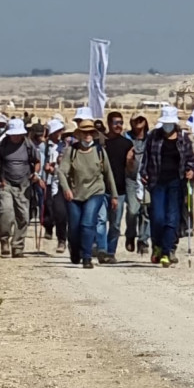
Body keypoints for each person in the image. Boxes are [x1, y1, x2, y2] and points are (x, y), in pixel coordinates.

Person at [140, 106, 194, 267]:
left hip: (176, 183)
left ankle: (167, 251)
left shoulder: (183, 138)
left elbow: (191, 159)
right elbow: (146, 158)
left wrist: (191, 171)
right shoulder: (153, 137)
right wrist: (143, 173)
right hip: (157, 182)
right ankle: (157, 245)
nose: (167, 127)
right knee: (157, 217)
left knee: (172, 218)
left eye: (170, 123)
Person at [58, 120, 118, 270]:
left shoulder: (99, 152)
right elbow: (61, 172)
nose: (88, 135)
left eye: (90, 132)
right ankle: (75, 249)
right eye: (85, 132)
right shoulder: (72, 151)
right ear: (79, 134)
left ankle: (87, 257)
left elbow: (108, 173)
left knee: (88, 223)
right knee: (74, 227)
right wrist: (66, 189)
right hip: (74, 193)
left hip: (95, 192)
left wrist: (114, 195)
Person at [0, 117, 40, 257]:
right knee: (6, 213)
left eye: (18, 134)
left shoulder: (28, 145)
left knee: (23, 217)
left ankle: (18, 246)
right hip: (6, 184)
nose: (16, 137)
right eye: (14, 134)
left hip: (24, 186)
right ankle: (4, 240)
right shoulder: (3, 145)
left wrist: (36, 174)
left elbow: (37, 161)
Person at [102, 111, 133, 262]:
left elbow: (131, 169)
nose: (118, 126)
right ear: (109, 124)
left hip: (119, 191)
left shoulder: (127, 144)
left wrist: (131, 161)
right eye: (115, 123)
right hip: (101, 189)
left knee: (114, 224)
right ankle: (99, 248)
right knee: (99, 220)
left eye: (121, 123)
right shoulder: (101, 143)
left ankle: (110, 252)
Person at [125, 114, 151, 254]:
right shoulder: (126, 138)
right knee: (133, 210)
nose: (139, 122)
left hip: (147, 177)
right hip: (131, 178)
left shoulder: (151, 138)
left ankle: (143, 240)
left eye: (141, 119)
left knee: (146, 210)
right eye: (136, 120)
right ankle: (130, 234)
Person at [42, 118, 68, 252]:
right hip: (53, 183)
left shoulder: (69, 147)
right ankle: (61, 239)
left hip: (70, 184)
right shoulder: (47, 147)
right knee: (57, 211)